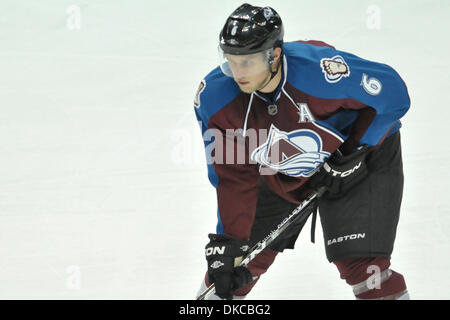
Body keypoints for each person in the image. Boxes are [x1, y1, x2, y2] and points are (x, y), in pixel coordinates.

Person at [193, 3, 410, 300]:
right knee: (233, 269)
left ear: (275, 55)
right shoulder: (214, 99)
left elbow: (394, 94)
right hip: (280, 168)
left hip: (361, 159)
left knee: (365, 269)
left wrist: (353, 150)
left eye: (248, 62)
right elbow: (230, 178)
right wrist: (228, 240)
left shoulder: (322, 73)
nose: (237, 72)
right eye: (231, 61)